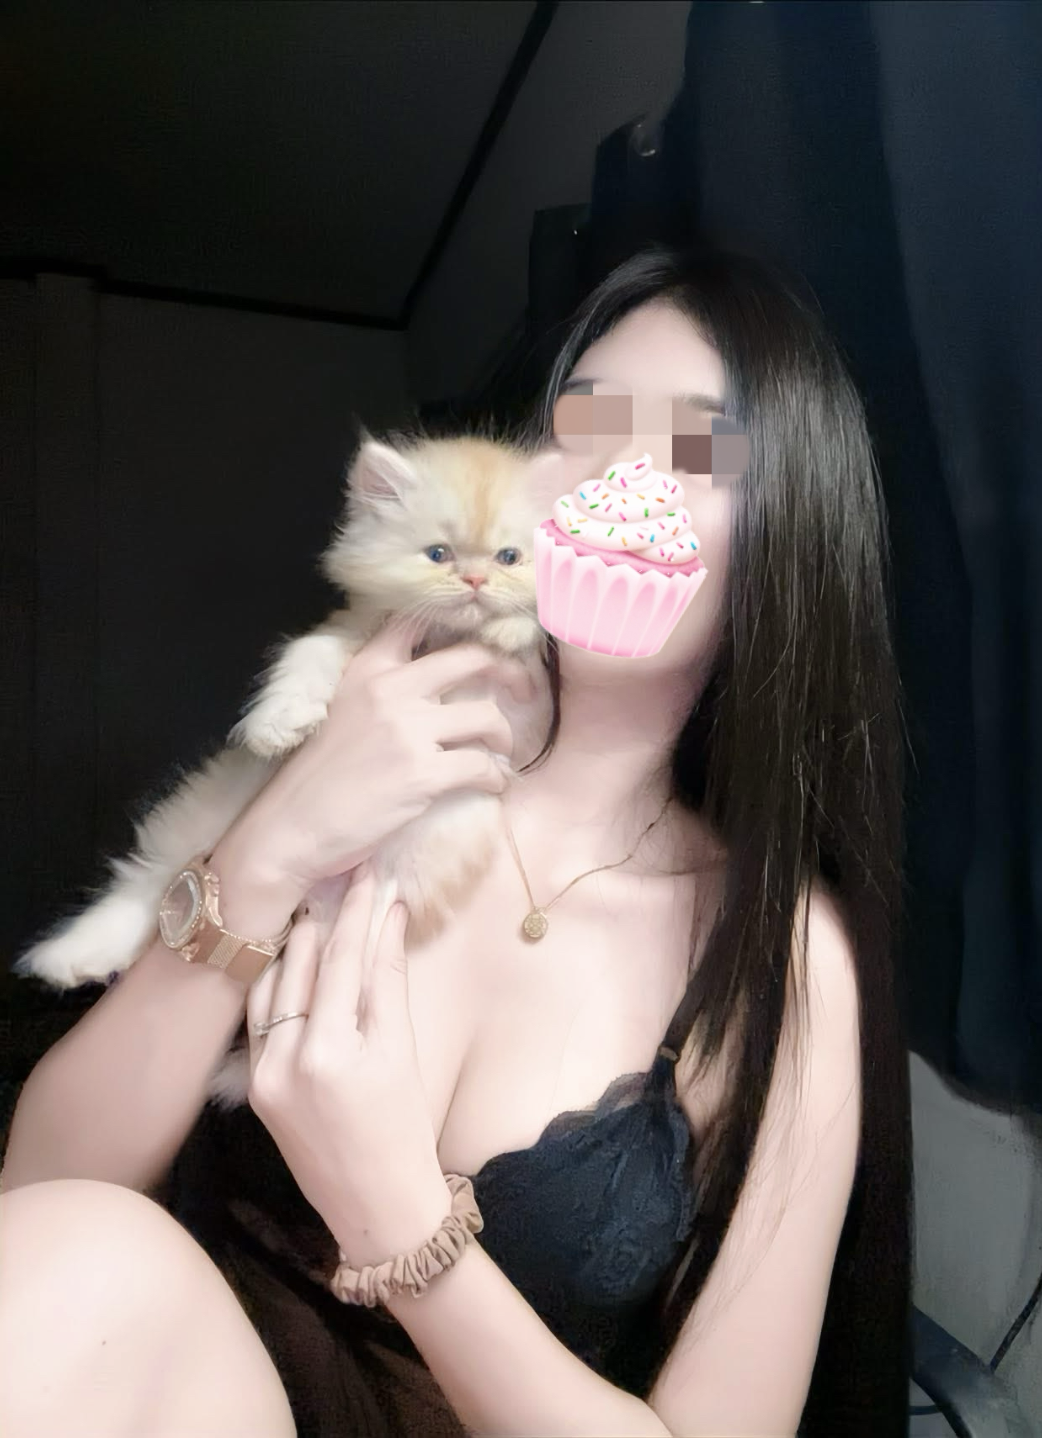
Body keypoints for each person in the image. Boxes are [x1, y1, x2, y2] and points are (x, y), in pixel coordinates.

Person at [0, 245, 912, 1438]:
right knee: (85, 1255)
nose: (621, 481)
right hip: (166, 1385)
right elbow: (39, 1193)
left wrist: (398, 1216)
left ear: (790, 531)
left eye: (694, 450)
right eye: (586, 431)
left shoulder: (783, 957)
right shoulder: (351, 748)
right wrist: (271, 846)